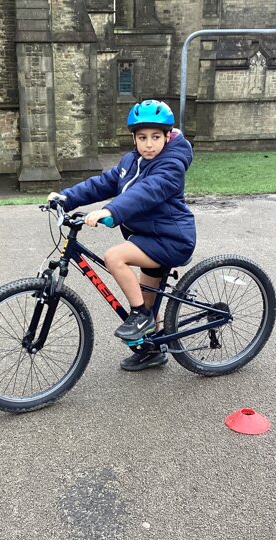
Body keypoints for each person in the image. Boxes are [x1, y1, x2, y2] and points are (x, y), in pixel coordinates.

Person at [48, 99, 196, 371]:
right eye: (142, 137)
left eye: (155, 137)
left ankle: (140, 317)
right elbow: (103, 183)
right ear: (134, 138)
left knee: (114, 257)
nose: (148, 144)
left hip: (172, 240)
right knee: (148, 299)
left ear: (167, 136)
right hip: (148, 237)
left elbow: (147, 192)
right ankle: (152, 349)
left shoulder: (171, 165)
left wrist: (110, 211)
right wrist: (67, 198)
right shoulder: (131, 161)